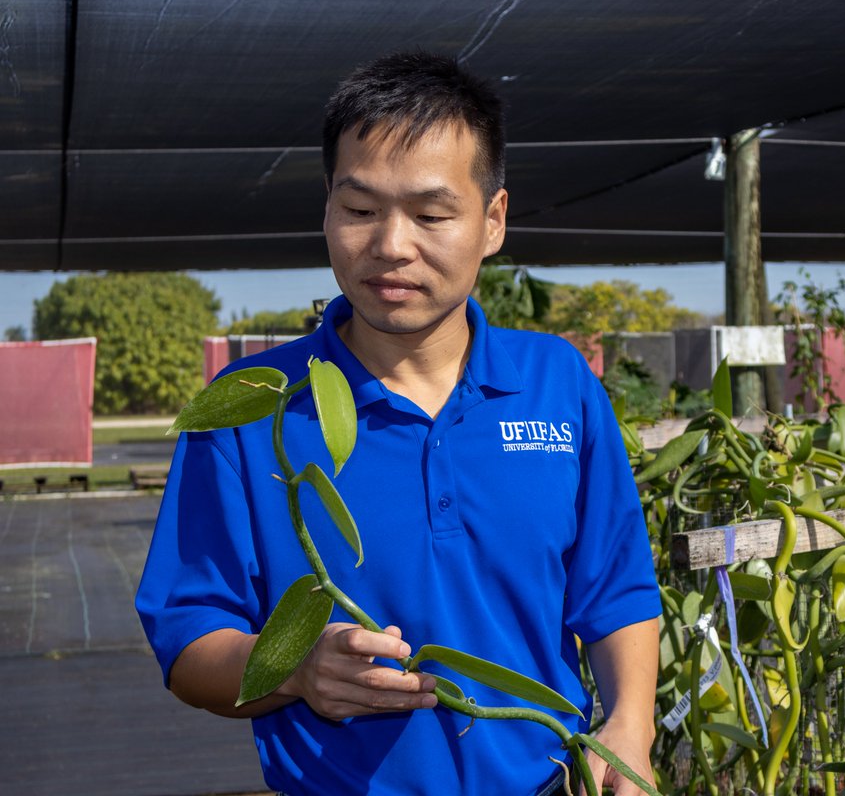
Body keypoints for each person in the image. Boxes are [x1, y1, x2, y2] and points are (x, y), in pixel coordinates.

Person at [136, 51, 661, 796]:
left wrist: (630, 728)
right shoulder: (256, 406)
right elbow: (189, 641)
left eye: (432, 214)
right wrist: (295, 669)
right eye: (359, 209)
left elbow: (617, 592)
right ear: (326, 209)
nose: (391, 245)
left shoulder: (556, 385)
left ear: (493, 221)